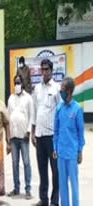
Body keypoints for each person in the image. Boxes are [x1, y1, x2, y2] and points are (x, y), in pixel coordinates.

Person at [32, 59, 60, 206]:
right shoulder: (37, 88)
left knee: (55, 170)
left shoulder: (57, 88)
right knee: (42, 170)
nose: (44, 72)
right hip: (40, 135)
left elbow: (61, 112)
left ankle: (55, 201)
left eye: (47, 69)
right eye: (42, 69)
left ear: (51, 70)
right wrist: (32, 132)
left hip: (53, 137)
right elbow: (34, 111)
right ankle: (44, 200)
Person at [53, 77, 85, 206]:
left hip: (72, 153)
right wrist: (55, 148)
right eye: (61, 89)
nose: (61, 92)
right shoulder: (59, 108)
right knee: (63, 184)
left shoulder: (77, 109)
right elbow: (56, 131)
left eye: (63, 90)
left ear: (70, 91)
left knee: (74, 184)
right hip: (61, 152)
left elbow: (80, 132)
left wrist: (80, 151)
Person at [7, 75, 33, 200]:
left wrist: (28, 131)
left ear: (22, 83)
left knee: (26, 163)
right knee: (14, 163)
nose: (17, 85)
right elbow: (8, 115)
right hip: (13, 136)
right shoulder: (11, 98)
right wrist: (8, 136)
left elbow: (32, 116)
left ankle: (28, 189)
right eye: (15, 83)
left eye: (19, 82)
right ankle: (16, 188)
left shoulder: (28, 98)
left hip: (24, 136)